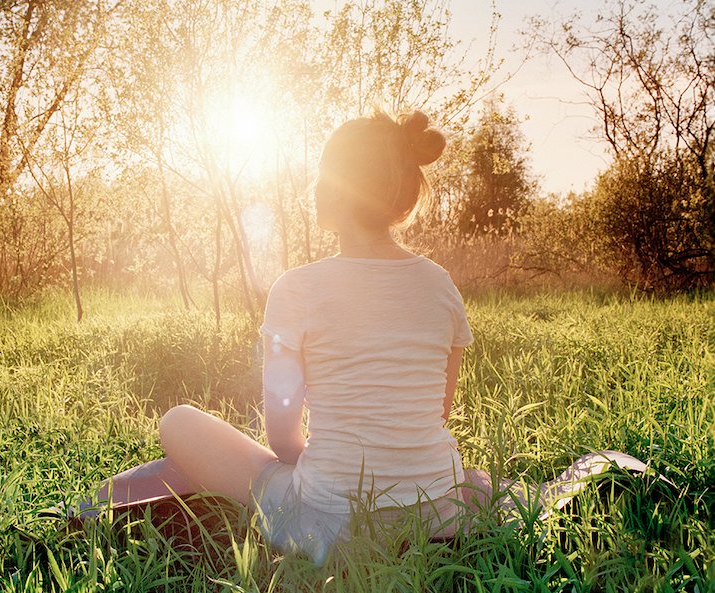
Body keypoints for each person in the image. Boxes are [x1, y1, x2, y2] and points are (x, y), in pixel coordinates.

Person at [90, 109, 474, 564]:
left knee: (178, 422)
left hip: (327, 523)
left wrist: (329, 466)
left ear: (335, 190)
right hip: (438, 513)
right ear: (402, 199)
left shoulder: (296, 288)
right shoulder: (441, 285)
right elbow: (439, 411)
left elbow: (283, 438)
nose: (314, 187)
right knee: (474, 482)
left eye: (321, 175)